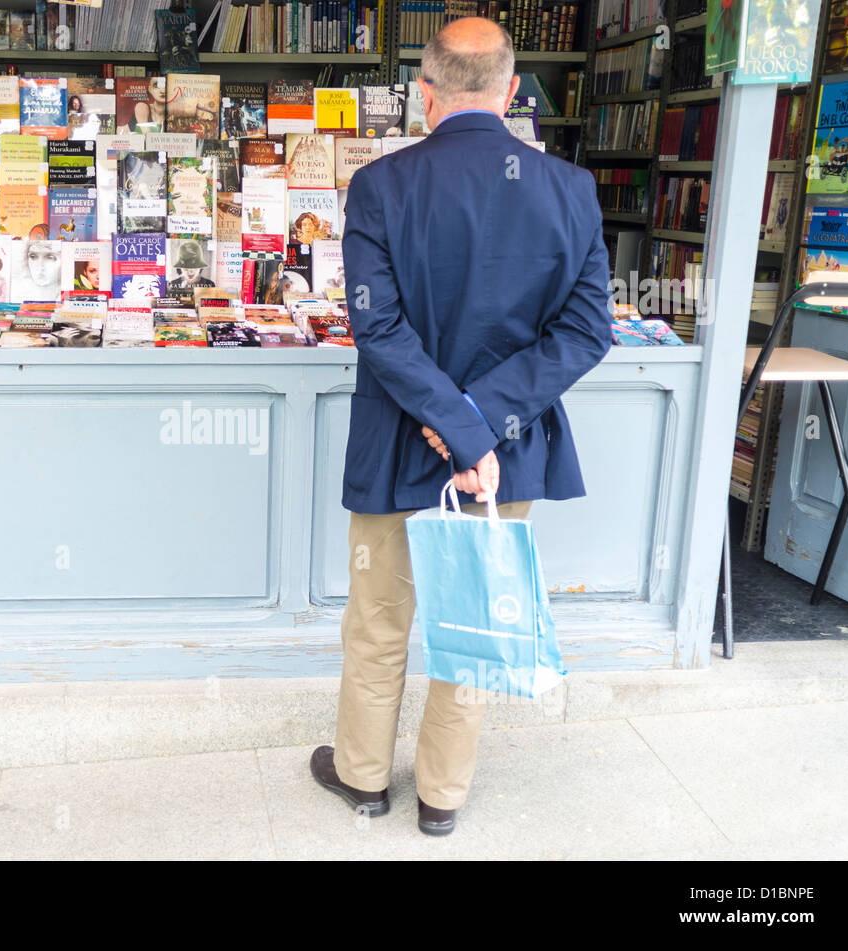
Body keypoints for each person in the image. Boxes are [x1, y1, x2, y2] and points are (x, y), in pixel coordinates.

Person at [311, 18, 612, 837]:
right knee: (474, 613)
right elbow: (587, 332)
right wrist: (482, 426)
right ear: (513, 91)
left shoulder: (381, 185)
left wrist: (455, 420)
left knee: (379, 621)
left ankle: (365, 778)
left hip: (398, 443)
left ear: (424, 90)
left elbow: (380, 330)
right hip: (501, 457)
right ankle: (441, 796)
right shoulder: (569, 190)